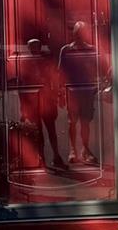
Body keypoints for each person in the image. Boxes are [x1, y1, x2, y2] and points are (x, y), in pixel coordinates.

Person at [57, 20, 104, 167]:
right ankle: (73, 151)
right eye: (77, 33)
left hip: (87, 91)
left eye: (82, 33)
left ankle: (85, 149)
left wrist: (97, 86)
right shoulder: (66, 50)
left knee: (85, 122)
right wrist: (61, 93)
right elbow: (60, 73)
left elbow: (99, 69)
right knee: (72, 122)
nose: (79, 35)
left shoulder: (92, 50)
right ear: (73, 33)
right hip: (72, 91)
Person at [24, 36, 65, 170]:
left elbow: (53, 78)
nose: (35, 49)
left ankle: (56, 156)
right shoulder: (26, 63)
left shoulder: (45, 61)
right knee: (38, 131)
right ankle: (41, 158)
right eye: (32, 47)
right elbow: (22, 86)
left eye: (37, 46)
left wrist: (56, 96)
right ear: (29, 48)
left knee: (51, 129)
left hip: (46, 100)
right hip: (34, 101)